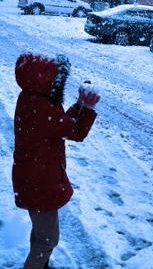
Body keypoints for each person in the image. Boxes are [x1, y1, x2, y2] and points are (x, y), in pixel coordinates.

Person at [12, 53, 99, 269]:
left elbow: (61, 124)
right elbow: (75, 131)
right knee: (47, 239)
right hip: (40, 183)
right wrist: (86, 107)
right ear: (43, 80)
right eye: (55, 80)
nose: (58, 84)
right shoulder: (40, 107)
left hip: (34, 179)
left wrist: (79, 105)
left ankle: (41, 265)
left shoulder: (32, 99)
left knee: (42, 234)